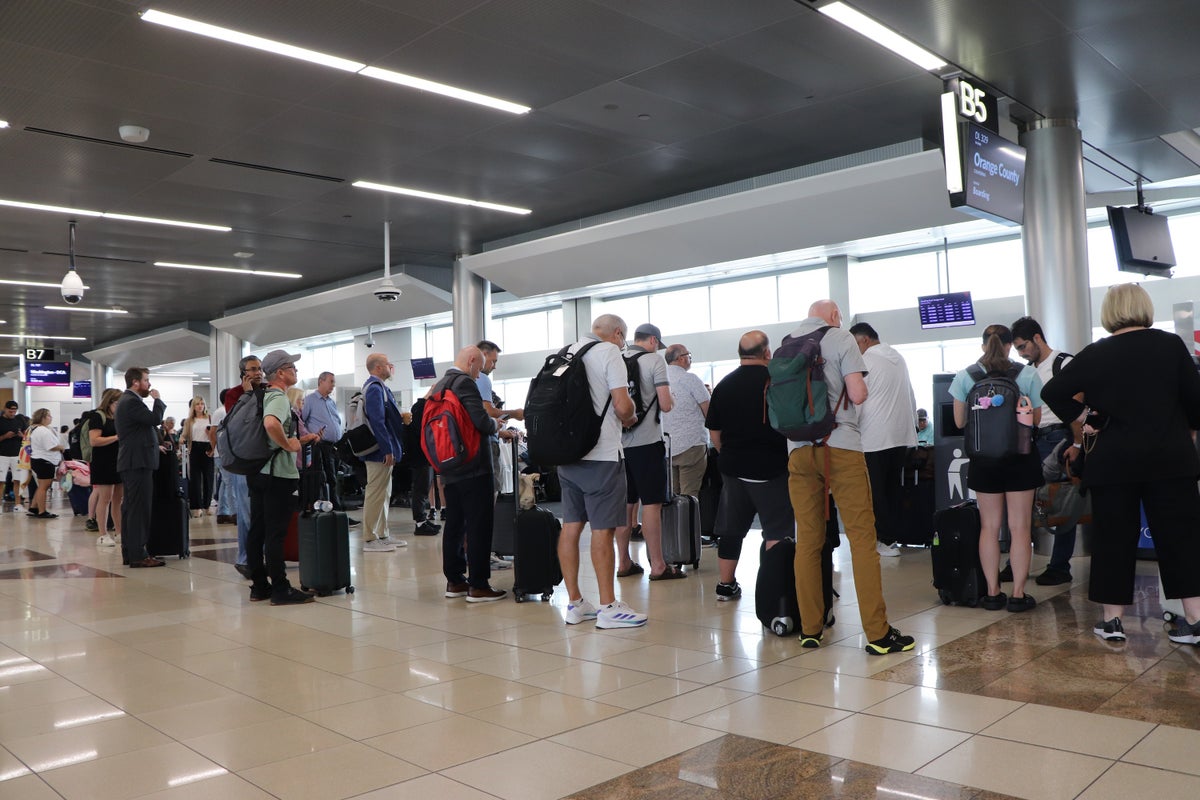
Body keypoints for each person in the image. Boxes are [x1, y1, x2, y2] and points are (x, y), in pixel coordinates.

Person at [1042, 284, 1200, 644]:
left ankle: (1112, 622)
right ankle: (1194, 617)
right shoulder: (1170, 346)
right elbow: (1196, 399)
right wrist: (1186, 425)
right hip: (1170, 458)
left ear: (1109, 312)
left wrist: (1084, 418)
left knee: (1114, 537)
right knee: (1181, 537)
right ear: (1143, 307)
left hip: (1113, 461)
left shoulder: (1096, 353)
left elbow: (1052, 392)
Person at [786, 300, 915, 654]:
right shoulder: (840, 337)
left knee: (808, 542)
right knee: (862, 538)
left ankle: (810, 629)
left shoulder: (787, 342)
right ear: (834, 316)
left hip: (797, 450)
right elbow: (857, 392)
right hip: (840, 445)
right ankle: (877, 634)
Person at [557, 314, 647, 629]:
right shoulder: (610, 353)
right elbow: (623, 406)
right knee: (602, 529)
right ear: (618, 334)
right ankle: (608, 607)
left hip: (567, 456)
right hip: (602, 455)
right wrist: (632, 415)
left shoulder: (566, 351)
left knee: (570, 527)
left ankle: (575, 603)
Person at [949, 323, 1043, 613]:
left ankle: (991, 593)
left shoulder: (967, 376)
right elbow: (1036, 420)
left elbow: (959, 422)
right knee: (1019, 527)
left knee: (989, 527)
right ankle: (1017, 594)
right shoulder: (1026, 374)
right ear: (1008, 346)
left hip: (983, 462)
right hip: (1020, 460)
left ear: (983, 346)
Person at [704, 331, 794, 602]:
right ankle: (775, 587)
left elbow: (714, 432)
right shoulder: (778, 382)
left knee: (731, 529)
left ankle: (725, 584)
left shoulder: (725, 384)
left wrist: (728, 454)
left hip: (733, 469)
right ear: (767, 353)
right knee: (777, 529)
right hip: (773, 469)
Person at [1010, 315, 1083, 587]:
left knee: (1063, 501)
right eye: (1017, 348)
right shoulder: (1026, 371)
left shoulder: (1064, 363)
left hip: (1058, 437)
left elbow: (1077, 407)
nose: (1021, 352)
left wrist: (1076, 444)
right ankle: (1016, 562)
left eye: (1022, 346)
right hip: (1031, 437)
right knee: (1022, 500)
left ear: (1037, 338)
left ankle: (1060, 566)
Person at [433, 346, 507, 602]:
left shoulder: (439, 384)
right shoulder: (465, 382)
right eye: (480, 368)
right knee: (479, 525)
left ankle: (454, 581)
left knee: (454, 522)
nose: (479, 376)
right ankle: (478, 585)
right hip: (474, 465)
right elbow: (482, 421)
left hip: (449, 462)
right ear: (472, 361)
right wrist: (496, 423)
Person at [245, 350, 313, 605]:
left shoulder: (258, 396)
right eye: (292, 368)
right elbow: (271, 424)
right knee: (275, 534)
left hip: (258, 471)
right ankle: (281, 589)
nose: (296, 372)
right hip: (277, 475)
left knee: (258, 531)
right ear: (281, 373)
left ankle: (260, 586)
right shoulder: (278, 397)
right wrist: (288, 445)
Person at [848, 322, 918, 558]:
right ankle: (890, 539)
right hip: (900, 435)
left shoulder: (866, 361)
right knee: (892, 489)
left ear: (864, 340)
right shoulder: (898, 357)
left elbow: (857, 399)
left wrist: (848, 427)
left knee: (874, 492)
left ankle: (882, 539)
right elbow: (910, 394)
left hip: (874, 437)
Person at [614, 323, 677, 580]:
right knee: (652, 503)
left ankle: (624, 563)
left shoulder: (616, 359)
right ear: (652, 340)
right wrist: (670, 398)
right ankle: (659, 566)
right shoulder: (654, 360)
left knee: (626, 505)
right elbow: (665, 404)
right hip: (648, 444)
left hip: (618, 446)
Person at [116, 367, 167, 568]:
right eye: (146, 380)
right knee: (139, 510)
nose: (149, 384)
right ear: (136, 382)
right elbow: (154, 420)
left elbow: (141, 430)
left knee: (131, 508)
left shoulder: (128, 401)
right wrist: (158, 400)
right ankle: (138, 554)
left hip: (133, 461)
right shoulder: (131, 401)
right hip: (137, 462)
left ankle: (130, 551)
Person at [361, 352, 407, 552]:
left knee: (384, 492)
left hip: (385, 449)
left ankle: (382, 533)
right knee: (376, 492)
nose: (391, 367)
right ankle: (370, 539)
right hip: (379, 451)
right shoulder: (374, 388)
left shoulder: (381, 388)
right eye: (389, 364)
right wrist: (387, 449)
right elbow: (377, 421)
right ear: (379, 367)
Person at [224, 355, 262, 579]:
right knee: (246, 511)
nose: (258, 373)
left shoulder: (267, 390)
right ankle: (245, 558)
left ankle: (259, 555)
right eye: (253, 369)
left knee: (260, 512)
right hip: (243, 459)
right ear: (243, 374)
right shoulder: (234, 394)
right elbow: (236, 423)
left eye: (260, 369)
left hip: (263, 458)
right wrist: (248, 395)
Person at [301, 371, 356, 523]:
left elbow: (336, 421)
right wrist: (312, 436)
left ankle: (337, 512)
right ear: (321, 381)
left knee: (335, 480)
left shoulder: (331, 402)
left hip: (334, 446)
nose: (333, 384)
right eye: (331, 381)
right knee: (329, 479)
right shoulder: (310, 400)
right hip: (320, 446)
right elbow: (301, 421)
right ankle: (336, 514)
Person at [662, 343, 710, 498]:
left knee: (672, 496)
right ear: (681, 359)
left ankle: (673, 523)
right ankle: (688, 523)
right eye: (689, 355)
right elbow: (709, 411)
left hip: (667, 447)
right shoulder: (689, 378)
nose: (690, 359)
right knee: (689, 495)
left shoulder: (659, 381)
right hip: (692, 445)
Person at [85, 389, 124, 547]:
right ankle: (102, 534)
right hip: (102, 462)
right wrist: (116, 437)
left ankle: (120, 532)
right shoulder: (97, 416)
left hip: (118, 460)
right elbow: (94, 441)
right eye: (117, 403)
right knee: (105, 498)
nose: (120, 406)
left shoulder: (118, 417)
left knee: (118, 499)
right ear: (110, 402)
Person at [405, 391, 440, 535]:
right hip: (420, 455)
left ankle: (423, 520)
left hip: (425, 455)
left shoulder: (422, 408)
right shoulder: (420, 408)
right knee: (421, 489)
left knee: (425, 487)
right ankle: (420, 523)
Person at [179, 396, 214, 518]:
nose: (200, 406)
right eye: (198, 404)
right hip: (194, 449)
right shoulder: (189, 421)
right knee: (195, 479)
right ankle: (196, 507)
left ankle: (207, 505)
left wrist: (213, 446)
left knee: (208, 478)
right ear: (193, 406)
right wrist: (182, 440)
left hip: (207, 448)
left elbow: (214, 434)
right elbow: (184, 435)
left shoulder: (209, 418)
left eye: (202, 404)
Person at [26, 409, 63, 519]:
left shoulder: (35, 429)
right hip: (45, 460)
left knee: (41, 486)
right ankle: (42, 511)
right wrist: (61, 447)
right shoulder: (43, 430)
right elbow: (50, 446)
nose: (51, 417)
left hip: (38, 459)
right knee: (44, 486)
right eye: (49, 416)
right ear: (42, 417)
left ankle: (34, 507)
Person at [208, 392, 235, 525]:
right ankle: (234, 512)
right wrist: (215, 449)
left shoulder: (230, 410)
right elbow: (212, 432)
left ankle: (223, 512)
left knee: (225, 483)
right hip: (223, 454)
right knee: (230, 482)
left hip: (226, 453)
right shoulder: (221, 411)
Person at [1, 400, 28, 508]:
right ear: (5, 409)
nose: (12, 414)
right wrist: (5, 436)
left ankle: (18, 504)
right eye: (10, 411)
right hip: (2, 454)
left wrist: (22, 435)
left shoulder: (19, 420)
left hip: (17, 454)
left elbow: (26, 436)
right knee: (1, 480)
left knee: (17, 480)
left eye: (14, 411)